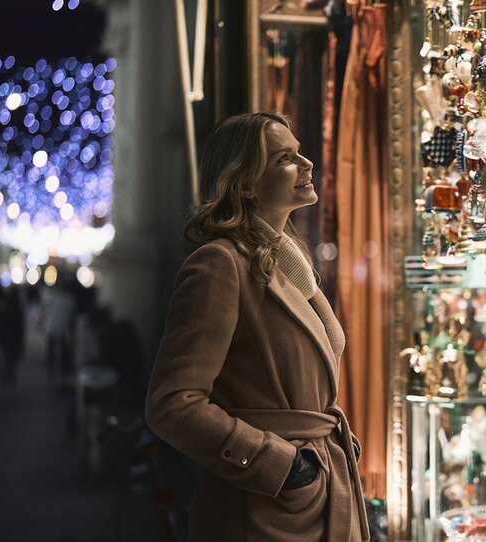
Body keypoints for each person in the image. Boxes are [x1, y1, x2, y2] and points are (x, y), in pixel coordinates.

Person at [145, 112, 368, 542]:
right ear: (245, 183)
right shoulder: (219, 265)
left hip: (312, 495)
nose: (307, 165)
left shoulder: (289, 263)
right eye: (286, 158)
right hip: (263, 510)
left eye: (300, 152)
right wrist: (281, 466)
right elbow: (172, 403)